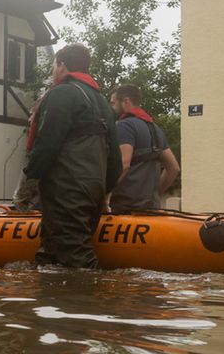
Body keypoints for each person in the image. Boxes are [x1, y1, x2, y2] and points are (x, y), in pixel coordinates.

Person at [20, 44, 121, 268]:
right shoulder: (104, 103)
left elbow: (46, 145)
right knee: (52, 256)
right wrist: (104, 191)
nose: (53, 73)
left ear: (62, 65)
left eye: (54, 66)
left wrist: (27, 185)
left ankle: (86, 301)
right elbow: (115, 161)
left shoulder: (62, 93)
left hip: (66, 190)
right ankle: (50, 301)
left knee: (76, 257)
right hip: (93, 191)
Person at [108, 83, 180, 212]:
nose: (111, 108)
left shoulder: (123, 126)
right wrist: (156, 193)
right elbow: (173, 168)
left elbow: (124, 164)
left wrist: (105, 195)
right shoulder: (155, 129)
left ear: (126, 101)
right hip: (150, 208)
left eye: (113, 103)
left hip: (124, 207)